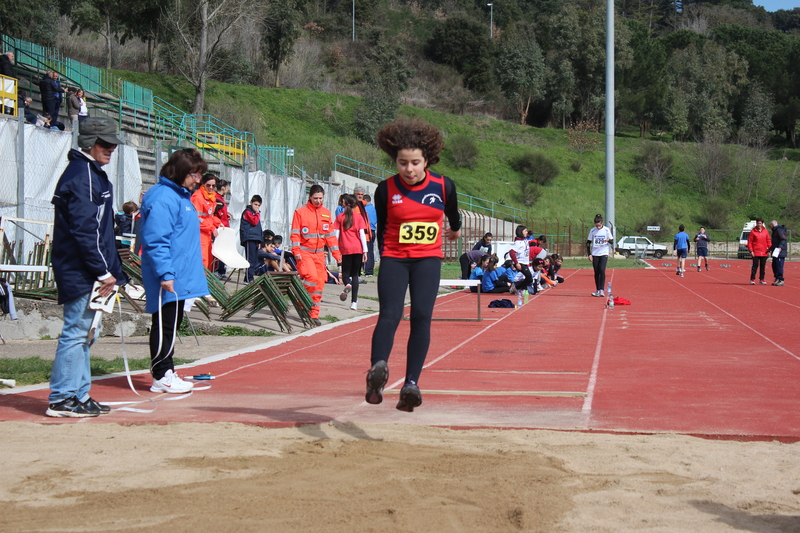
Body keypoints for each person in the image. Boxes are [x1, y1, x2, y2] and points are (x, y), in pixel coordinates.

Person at [365, 117, 461, 413]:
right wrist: (385, 257)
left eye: (415, 163)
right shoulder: (385, 189)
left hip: (427, 260)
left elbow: (454, 216)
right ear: (395, 161)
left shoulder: (444, 186)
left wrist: (454, 230)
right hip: (395, 259)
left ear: (426, 160)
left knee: (421, 316)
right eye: (402, 163)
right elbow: (381, 230)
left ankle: (411, 384)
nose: (409, 169)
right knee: (390, 314)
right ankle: (377, 371)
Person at [46, 117, 127, 417]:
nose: (111, 149)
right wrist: (103, 271)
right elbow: (85, 230)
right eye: (105, 144)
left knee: (86, 333)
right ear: (89, 143)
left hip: (88, 268)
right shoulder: (83, 176)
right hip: (80, 269)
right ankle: (62, 397)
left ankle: (78, 394)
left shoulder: (92, 174)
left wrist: (111, 270)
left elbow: (100, 230)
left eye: (113, 144)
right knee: (76, 331)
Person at [139, 148, 210, 394]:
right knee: (165, 323)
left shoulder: (181, 196)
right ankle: (161, 373)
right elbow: (157, 239)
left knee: (172, 322)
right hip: (169, 273)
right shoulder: (163, 197)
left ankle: (166, 370)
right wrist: (165, 273)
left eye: (200, 174)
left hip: (180, 272)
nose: (198, 179)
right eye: (194, 174)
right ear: (180, 171)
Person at [291, 184, 342, 326]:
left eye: (320, 198)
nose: (318, 201)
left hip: (319, 254)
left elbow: (331, 236)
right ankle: (303, 304)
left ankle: (313, 314)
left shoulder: (326, 213)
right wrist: (296, 252)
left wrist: (337, 255)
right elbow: (295, 234)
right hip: (305, 253)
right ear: (310, 197)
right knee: (311, 278)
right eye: (315, 198)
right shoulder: (300, 212)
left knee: (319, 283)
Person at [334, 194, 368, 310]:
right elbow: (362, 235)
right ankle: (354, 302)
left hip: (345, 249)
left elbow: (336, 235)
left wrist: (335, 249)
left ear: (344, 203)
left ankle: (347, 284)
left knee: (345, 274)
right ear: (355, 206)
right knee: (355, 275)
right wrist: (365, 251)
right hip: (357, 249)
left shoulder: (340, 217)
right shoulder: (359, 217)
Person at [191, 173, 223, 270]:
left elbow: (209, 216)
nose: (211, 187)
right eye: (208, 185)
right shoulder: (198, 197)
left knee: (208, 261)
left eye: (213, 185)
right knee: (203, 261)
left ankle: (205, 283)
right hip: (199, 234)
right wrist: (211, 227)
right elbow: (196, 218)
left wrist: (218, 222)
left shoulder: (210, 197)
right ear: (203, 184)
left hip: (207, 234)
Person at [587, 214, 612, 297]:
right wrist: (589, 254)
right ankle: (597, 290)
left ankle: (601, 290)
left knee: (602, 269)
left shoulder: (606, 230)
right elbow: (588, 243)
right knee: (596, 271)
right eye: (596, 226)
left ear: (602, 223)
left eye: (599, 225)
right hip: (595, 253)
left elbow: (612, 241)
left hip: (604, 252)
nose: (598, 227)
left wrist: (608, 240)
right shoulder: (592, 231)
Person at [240, 195, 263, 282]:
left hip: (255, 238)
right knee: (250, 259)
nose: (257, 207)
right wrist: (257, 213)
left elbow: (259, 227)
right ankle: (248, 278)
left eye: (258, 205)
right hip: (249, 238)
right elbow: (254, 222)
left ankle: (249, 277)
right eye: (255, 204)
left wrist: (260, 240)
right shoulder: (247, 212)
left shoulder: (256, 214)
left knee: (254, 260)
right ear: (251, 203)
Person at [214, 179, 231, 278]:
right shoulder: (217, 198)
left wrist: (226, 215)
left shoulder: (221, 199)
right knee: (218, 250)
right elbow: (215, 214)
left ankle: (222, 270)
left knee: (223, 250)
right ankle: (216, 269)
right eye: (227, 187)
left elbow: (222, 213)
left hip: (225, 227)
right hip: (219, 228)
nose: (228, 190)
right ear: (223, 187)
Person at [508, 225, 533, 294]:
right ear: (521, 232)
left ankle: (520, 288)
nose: (527, 232)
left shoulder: (524, 240)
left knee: (529, 278)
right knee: (529, 276)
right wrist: (516, 263)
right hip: (519, 262)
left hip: (524, 262)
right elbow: (512, 252)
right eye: (525, 231)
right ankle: (518, 288)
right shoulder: (518, 242)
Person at [747, 218, 771, 285]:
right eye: (758, 223)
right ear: (756, 224)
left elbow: (768, 241)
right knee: (755, 266)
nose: (759, 224)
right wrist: (751, 250)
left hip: (764, 252)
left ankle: (762, 279)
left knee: (763, 266)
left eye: (760, 223)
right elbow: (750, 242)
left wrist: (770, 249)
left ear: (762, 224)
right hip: (756, 252)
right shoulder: (753, 232)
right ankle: (752, 279)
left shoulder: (766, 231)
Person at [363, 193, 378, 276]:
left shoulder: (365, 209)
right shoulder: (374, 209)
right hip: (373, 230)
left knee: (366, 250)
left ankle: (367, 270)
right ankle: (370, 270)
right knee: (371, 250)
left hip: (367, 231)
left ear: (365, 201)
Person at [769, 220, 787, 286]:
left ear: (772, 225)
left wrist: (780, 247)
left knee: (779, 266)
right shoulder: (774, 231)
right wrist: (771, 248)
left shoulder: (779, 230)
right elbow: (775, 242)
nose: (769, 226)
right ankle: (777, 278)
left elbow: (783, 239)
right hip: (775, 252)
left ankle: (780, 279)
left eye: (770, 225)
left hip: (780, 252)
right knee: (774, 265)